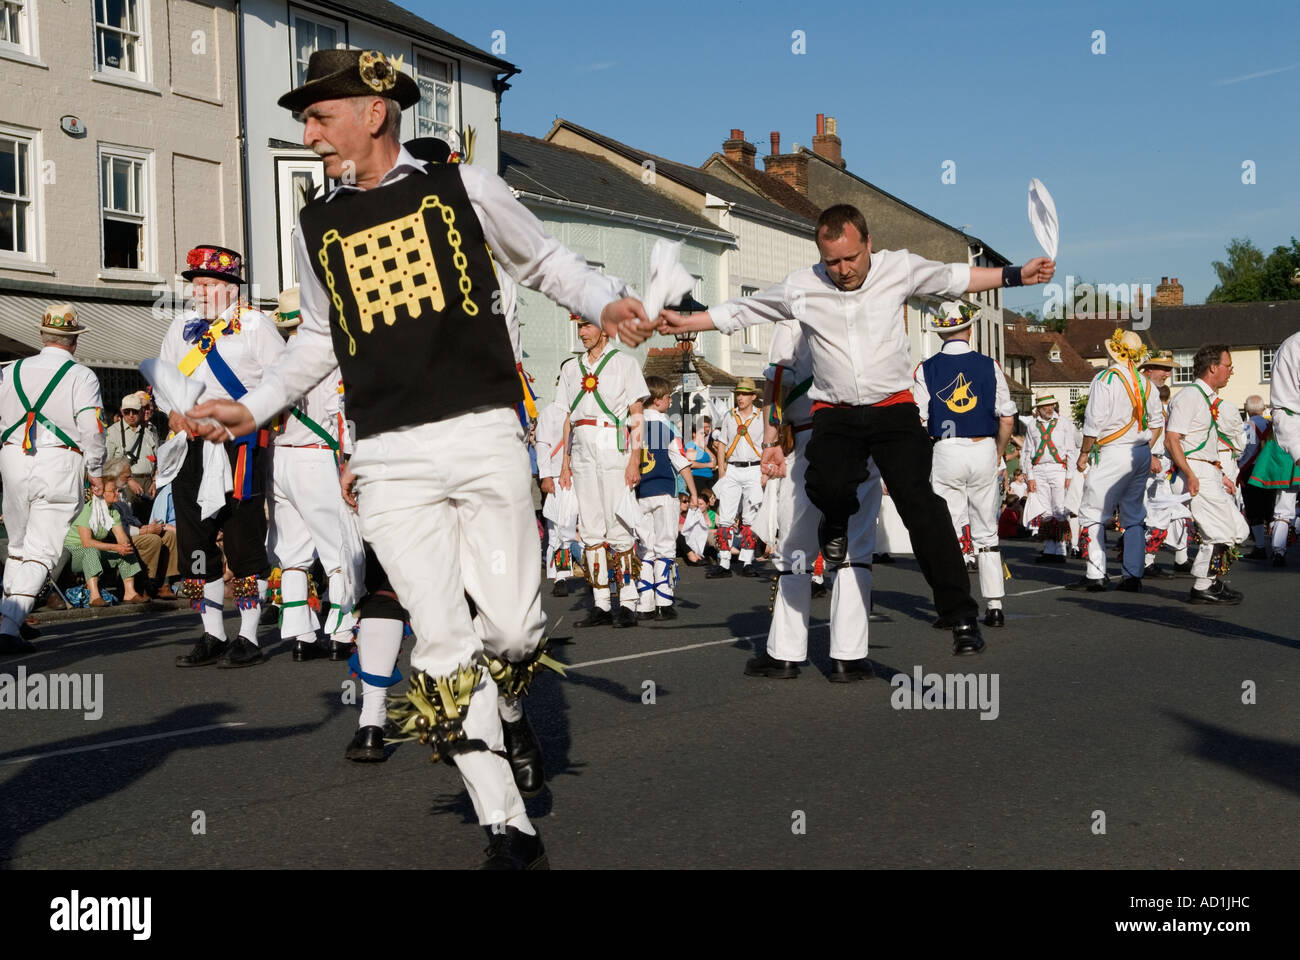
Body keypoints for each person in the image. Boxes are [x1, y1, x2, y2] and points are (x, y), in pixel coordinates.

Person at [188, 48, 650, 868]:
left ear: (374, 112)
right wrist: (252, 407)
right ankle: (507, 825)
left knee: (511, 630)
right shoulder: (316, 221)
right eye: (305, 119)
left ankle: (511, 706)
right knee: (438, 641)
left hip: (480, 430)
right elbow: (322, 341)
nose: (310, 132)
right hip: (388, 454)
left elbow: (542, 260)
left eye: (320, 116)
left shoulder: (462, 188)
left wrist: (602, 298)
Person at [659, 204, 1056, 655]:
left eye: (851, 258)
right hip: (836, 412)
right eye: (833, 262)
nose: (844, 270)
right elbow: (746, 310)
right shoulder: (802, 286)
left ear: (868, 244)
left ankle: (961, 615)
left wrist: (1018, 275)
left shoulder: (898, 269)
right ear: (820, 255)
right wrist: (689, 321)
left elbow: (954, 278)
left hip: (893, 410)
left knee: (921, 505)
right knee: (823, 484)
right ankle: (834, 522)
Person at [160, 245, 283, 668]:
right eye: (196, 284)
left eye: (210, 284)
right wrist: (171, 412)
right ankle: (210, 631)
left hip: (240, 442)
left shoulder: (256, 326)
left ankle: (248, 634)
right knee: (193, 542)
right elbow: (166, 380)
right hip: (192, 444)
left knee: (242, 537)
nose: (200, 291)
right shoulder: (179, 327)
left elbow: (283, 383)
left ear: (231, 287)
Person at [747, 313, 881, 680]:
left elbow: (776, 378)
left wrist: (770, 440)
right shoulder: (872, 312)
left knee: (796, 548)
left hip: (811, 437)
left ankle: (785, 656)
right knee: (856, 548)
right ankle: (848, 659)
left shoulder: (796, 315)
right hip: (863, 438)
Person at [0, 305, 107, 651]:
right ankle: (9, 627)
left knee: (17, 545)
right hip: (58, 462)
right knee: (41, 549)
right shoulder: (82, 376)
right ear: (74, 341)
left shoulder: (10, 369)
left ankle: (9, 619)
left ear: (42, 336)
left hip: (13, 458)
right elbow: (92, 430)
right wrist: (97, 472)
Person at [265, 286, 360, 662]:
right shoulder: (330, 360)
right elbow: (344, 414)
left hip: (279, 459)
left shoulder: (274, 362)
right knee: (338, 548)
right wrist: (353, 460)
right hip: (316, 459)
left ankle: (302, 637)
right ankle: (341, 631)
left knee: (292, 554)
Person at [913, 300, 1017, 627]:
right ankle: (996, 604)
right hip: (982, 445)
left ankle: (957, 607)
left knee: (949, 529)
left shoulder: (925, 368)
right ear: (969, 329)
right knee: (986, 529)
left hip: (945, 449)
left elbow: (918, 420)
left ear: (941, 332)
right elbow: (1008, 418)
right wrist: (998, 452)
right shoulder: (990, 365)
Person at [559, 313, 648, 629]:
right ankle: (600, 603)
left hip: (613, 446)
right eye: (579, 327)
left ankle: (627, 601)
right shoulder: (571, 369)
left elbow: (636, 413)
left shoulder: (625, 363)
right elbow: (568, 417)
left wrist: (634, 458)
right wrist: (565, 463)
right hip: (582, 451)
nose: (581, 332)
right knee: (591, 529)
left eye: (586, 325)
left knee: (619, 525)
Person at [1069, 330, 1164, 592]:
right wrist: (1144, 447)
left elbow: (1093, 423)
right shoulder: (1146, 384)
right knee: (1133, 513)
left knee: (1093, 511)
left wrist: (1084, 453)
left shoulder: (1105, 378)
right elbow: (1157, 423)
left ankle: (1095, 573)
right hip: (1140, 452)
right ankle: (1133, 575)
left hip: (1112, 452)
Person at [1165, 345, 1249, 603]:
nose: (1231, 372)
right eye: (1228, 366)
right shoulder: (1189, 396)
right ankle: (1203, 586)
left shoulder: (1205, 398)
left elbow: (1200, 442)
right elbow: (1172, 440)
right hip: (1196, 471)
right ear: (1213, 367)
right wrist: (1190, 474)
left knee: (1239, 529)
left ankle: (1209, 581)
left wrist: (1219, 472)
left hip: (1207, 470)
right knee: (1220, 531)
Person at [635, 376, 701, 620]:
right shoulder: (667, 426)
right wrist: (693, 492)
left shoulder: (633, 425)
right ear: (658, 401)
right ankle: (664, 601)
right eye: (667, 397)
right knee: (665, 545)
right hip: (665, 490)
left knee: (645, 547)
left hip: (640, 493)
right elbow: (680, 460)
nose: (670, 401)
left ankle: (645, 603)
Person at [1138, 355, 1192, 578]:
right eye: (1163, 369)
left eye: (1169, 370)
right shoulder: (1140, 396)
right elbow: (1139, 428)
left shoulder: (1154, 398)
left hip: (1163, 465)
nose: (1168, 374)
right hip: (1146, 462)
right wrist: (1148, 454)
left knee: (1178, 513)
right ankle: (1145, 562)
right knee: (1156, 515)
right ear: (1148, 370)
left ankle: (1181, 559)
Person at [63, 471, 149, 606]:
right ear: (102, 493)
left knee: (126, 550)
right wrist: (116, 547)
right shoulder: (87, 509)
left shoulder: (113, 511)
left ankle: (130, 592)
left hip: (94, 550)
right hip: (74, 552)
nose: (117, 493)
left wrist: (124, 546)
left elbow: (121, 536)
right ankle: (94, 596)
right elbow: (86, 542)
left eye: (117, 490)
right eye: (113, 490)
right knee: (91, 551)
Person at [708, 379, 765, 578]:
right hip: (732, 469)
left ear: (753, 397)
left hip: (754, 469)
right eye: (738, 393)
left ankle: (747, 561)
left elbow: (768, 444)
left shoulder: (762, 417)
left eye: (744, 394)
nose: (739, 397)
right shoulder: (729, 417)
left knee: (751, 516)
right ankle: (724, 563)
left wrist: (764, 472)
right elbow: (722, 443)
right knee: (725, 516)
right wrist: (722, 470)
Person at [106, 457, 177, 598]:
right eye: (127, 476)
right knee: (152, 540)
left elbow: (130, 518)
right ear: (115, 476)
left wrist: (145, 526)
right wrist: (146, 530)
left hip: (133, 530)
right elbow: (116, 527)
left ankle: (164, 583)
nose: (129, 479)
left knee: (169, 536)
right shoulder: (108, 493)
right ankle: (143, 583)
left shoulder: (122, 492)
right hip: (117, 536)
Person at [535, 361, 577, 597]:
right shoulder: (550, 412)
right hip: (557, 475)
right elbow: (542, 444)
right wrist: (545, 475)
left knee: (575, 527)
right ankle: (560, 575)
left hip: (580, 474)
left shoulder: (583, 409)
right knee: (559, 527)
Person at [1022, 393, 1079, 564]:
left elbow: (1071, 450)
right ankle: (1049, 549)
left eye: (1052, 404)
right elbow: (1026, 452)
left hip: (1058, 469)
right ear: (1038, 408)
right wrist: (1030, 476)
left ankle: (1060, 550)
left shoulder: (1064, 424)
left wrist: (1070, 475)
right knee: (1045, 510)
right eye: (1046, 406)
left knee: (1060, 509)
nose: (1049, 408)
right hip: (1039, 469)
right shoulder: (1032, 425)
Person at [104, 390, 158, 514]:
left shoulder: (150, 431)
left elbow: (158, 462)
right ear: (122, 411)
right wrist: (129, 480)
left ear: (141, 411)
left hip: (149, 484)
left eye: (135, 411)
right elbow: (107, 464)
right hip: (124, 485)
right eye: (127, 412)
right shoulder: (112, 432)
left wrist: (155, 482)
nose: (131, 415)